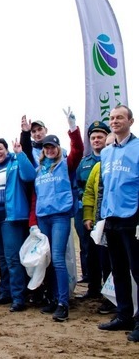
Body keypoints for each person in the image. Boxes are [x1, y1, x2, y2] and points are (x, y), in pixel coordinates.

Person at [32, 108, 84, 322]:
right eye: (46, 147)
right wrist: (33, 221)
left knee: (59, 259)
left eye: (53, 146)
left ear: (57, 148)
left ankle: (63, 302)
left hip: (60, 217)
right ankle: (53, 298)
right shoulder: (39, 169)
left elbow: (78, 150)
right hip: (43, 216)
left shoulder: (65, 164)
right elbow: (35, 196)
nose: (50, 150)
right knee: (49, 259)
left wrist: (72, 127)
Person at [0, 137, 36, 313]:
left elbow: (30, 175)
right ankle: (5, 292)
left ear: (6, 149)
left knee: (12, 257)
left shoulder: (15, 164)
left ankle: (19, 296)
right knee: (2, 257)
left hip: (11, 216)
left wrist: (20, 153)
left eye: (0, 149)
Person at [97, 105, 139, 343]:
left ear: (130, 121)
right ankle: (124, 315)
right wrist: (102, 216)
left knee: (137, 270)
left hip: (132, 217)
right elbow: (104, 186)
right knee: (119, 270)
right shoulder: (107, 152)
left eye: (119, 117)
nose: (114, 121)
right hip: (111, 218)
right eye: (112, 118)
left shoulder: (138, 148)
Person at [75, 120, 111, 299]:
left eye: (100, 137)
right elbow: (78, 186)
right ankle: (93, 288)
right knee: (89, 251)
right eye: (93, 137)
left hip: (108, 213)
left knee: (108, 254)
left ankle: (109, 291)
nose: (96, 140)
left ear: (107, 138)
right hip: (86, 212)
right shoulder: (84, 163)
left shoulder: (112, 158)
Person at [82, 132, 117, 315]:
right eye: (108, 145)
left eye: (113, 144)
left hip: (122, 220)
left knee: (119, 262)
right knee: (103, 261)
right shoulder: (97, 167)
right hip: (101, 222)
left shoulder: (124, 165)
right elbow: (89, 193)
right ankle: (108, 297)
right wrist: (88, 216)